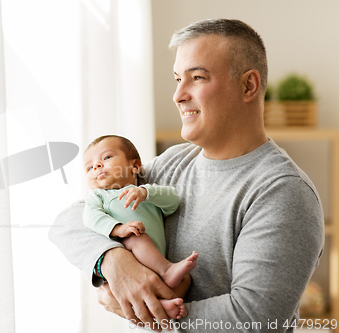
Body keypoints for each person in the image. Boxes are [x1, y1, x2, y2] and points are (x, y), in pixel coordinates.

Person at [49, 18, 324, 332]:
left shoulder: (282, 192)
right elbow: (68, 220)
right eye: (178, 79)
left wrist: (142, 310)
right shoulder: (173, 163)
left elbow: (254, 317)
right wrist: (113, 260)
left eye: (197, 77)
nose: (178, 95)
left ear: (248, 85)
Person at [82, 134, 198, 320]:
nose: (96, 166)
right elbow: (90, 217)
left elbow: (173, 201)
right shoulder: (98, 197)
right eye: (89, 167)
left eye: (106, 157)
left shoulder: (146, 192)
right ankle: (167, 271)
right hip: (128, 255)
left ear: (135, 166)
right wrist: (119, 229)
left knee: (186, 280)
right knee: (136, 234)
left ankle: (164, 306)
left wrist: (146, 192)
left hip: (153, 266)